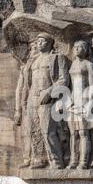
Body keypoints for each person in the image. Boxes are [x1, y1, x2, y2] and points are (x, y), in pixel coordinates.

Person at [19, 32, 68, 169]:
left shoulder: (57, 58)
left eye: (43, 41)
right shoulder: (33, 61)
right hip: (32, 99)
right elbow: (27, 83)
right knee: (34, 130)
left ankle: (56, 161)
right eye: (38, 41)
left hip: (47, 98)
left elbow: (64, 79)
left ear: (50, 43)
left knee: (48, 131)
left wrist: (49, 92)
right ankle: (39, 159)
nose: (39, 43)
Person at [67, 40, 93, 170]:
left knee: (83, 132)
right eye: (76, 46)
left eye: (81, 47)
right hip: (73, 100)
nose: (77, 49)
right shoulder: (72, 65)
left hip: (84, 100)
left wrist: (90, 103)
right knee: (73, 133)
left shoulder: (89, 64)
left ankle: (83, 161)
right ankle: (73, 160)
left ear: (86, 50)